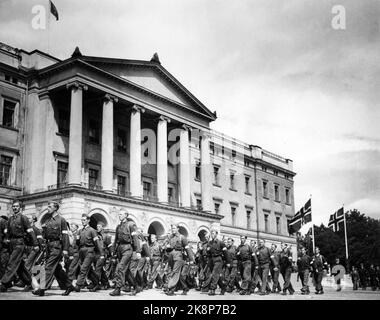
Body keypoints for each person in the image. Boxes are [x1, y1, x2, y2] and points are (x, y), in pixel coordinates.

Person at [32, 201, 73, 296]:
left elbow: (65, 235)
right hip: (49, 247)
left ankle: (41, 289)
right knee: (57, 269)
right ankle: (69, 285)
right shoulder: (48, 221)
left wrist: (65, 249)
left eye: (49, 206)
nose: (47, 208)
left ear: (55, 208)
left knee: (48, 267)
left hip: (57, 247)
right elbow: (45, 236)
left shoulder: (61, 220)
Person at [0, 200, 39, 293]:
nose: (14, 208)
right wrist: (7, 239)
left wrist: (35, 244)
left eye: (16, 206)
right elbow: (8, 232)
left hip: (20, 243)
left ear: (20, 208)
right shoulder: (10, 219)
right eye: (13, 206)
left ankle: (4, 284)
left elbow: (30, 231)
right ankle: (29, 282)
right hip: (12, 243)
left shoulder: (23, 218)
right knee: (20, 266)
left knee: (12, 263)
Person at [63, 214, 104, 295]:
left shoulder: (92, 230)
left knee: (83, 268)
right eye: (82, 220)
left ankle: (78, 285)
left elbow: (97, 243)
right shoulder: (80, 231)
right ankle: (96, 283)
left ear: (88, 220)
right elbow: (77, 243)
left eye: (84, 220)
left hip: (90, 250)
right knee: (89, 271)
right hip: (81, 251)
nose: (83, 221)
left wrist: (101, 254)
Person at [109, 209, 141, 296]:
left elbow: (135, 238)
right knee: (125, 271)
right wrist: (113, 250)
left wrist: (138, 251)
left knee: (120, 267)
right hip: (120, 248)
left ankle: (117, 289)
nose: (119, 215)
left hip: (128, 248)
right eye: (118, 214)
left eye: (121, 214)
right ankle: (135, 286)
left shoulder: (131, 225)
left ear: (126, 215)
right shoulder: (118, 226)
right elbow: (116, 239)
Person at [164, 224, 194, 296]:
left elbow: (187, 249)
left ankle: (171, 289)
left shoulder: (182, 237)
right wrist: (167, 247)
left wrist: (191, 259)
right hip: (171, 256)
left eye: (174, 228)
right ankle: (185, 288)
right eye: (172, 228)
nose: (173, 230)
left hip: (178, 256)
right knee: (175, 273)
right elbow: (166, 248)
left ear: (178, 229)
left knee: (175, 272)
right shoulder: (170, 237)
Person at [206, 229, 231, 296]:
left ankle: (212, 289)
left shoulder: (220, 243)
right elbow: (208, 253)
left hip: (218, 259)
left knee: (214, 274)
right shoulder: (209, 243)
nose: (212, 235)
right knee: (216, 275)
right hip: (212, 260)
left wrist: (228, 262)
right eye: (211, 234)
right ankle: (223, 287)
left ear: (216, 234)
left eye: (213, 233)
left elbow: (226, 253)